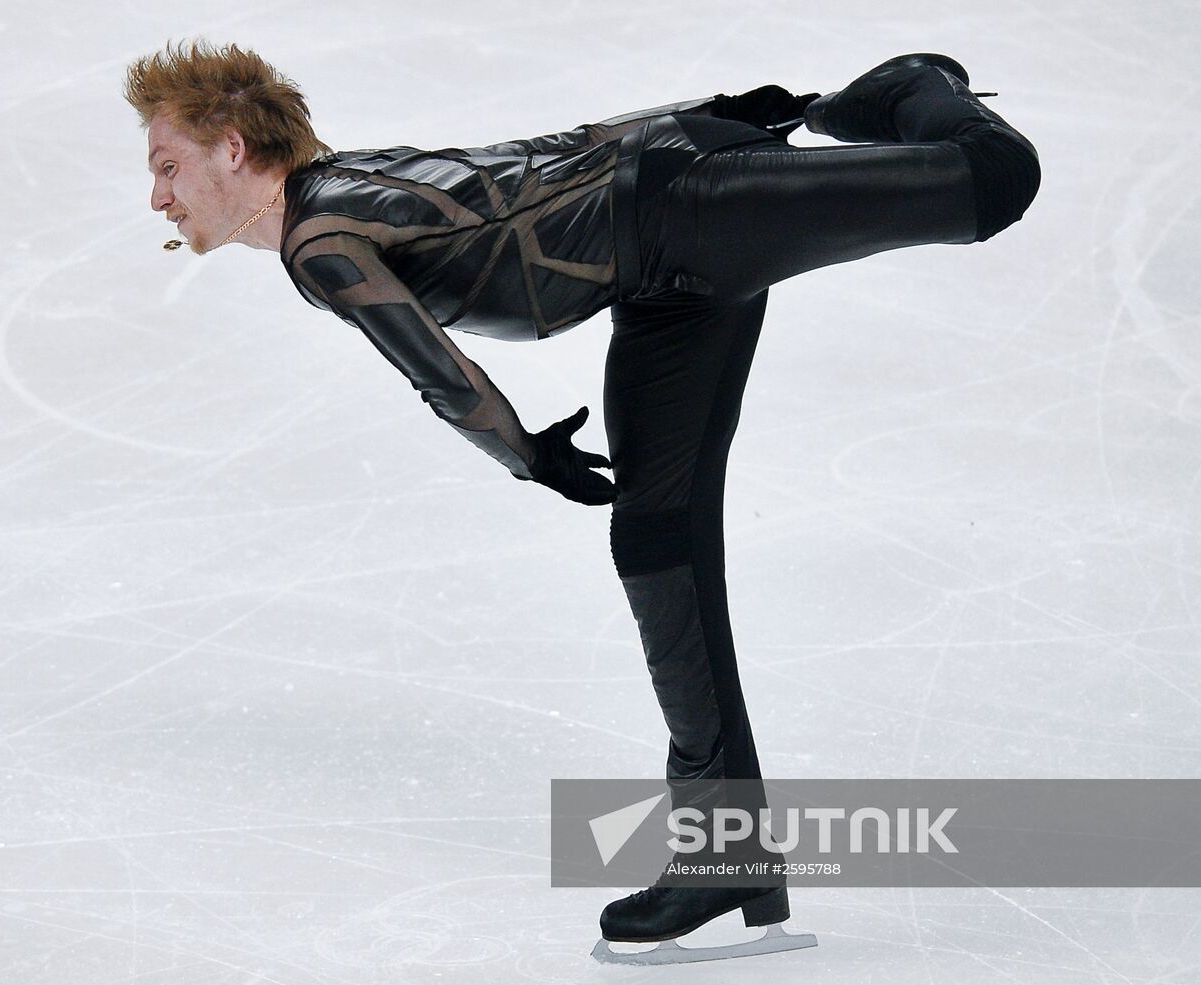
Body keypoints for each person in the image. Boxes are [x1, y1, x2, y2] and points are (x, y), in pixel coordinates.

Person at [123, 40, 1040, 959]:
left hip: (686, 210)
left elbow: (443, 377)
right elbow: (538, 158)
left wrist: (524, 453)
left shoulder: (319, 239)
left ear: (232, 148)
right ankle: (726, 851)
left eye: (168, 165)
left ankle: (910, 92)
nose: (159, 195)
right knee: (653, 538)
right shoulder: (344, 180)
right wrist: (711, 107)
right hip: (658, 277)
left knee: (994, 179)